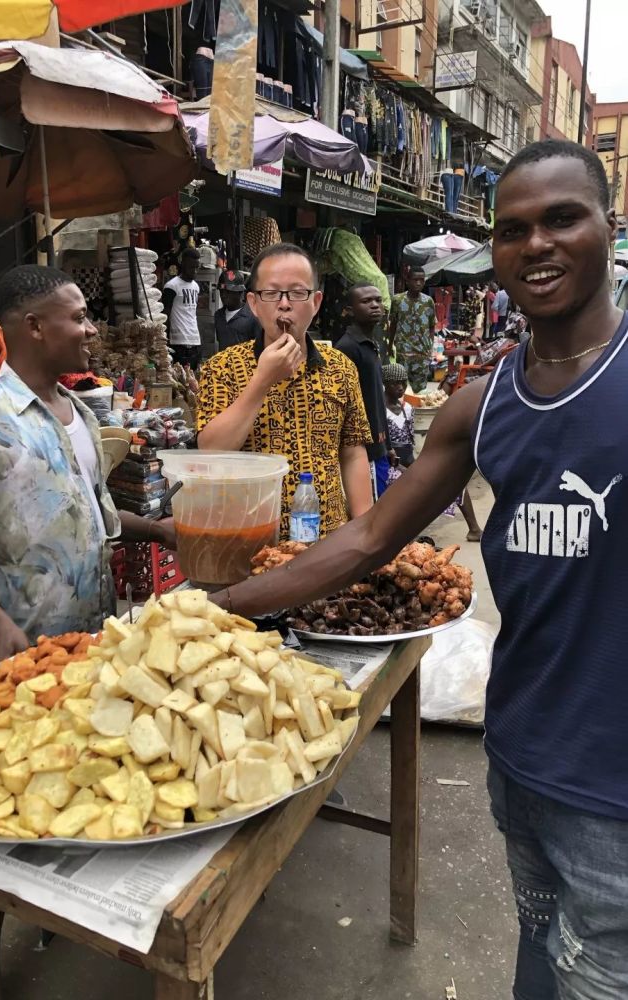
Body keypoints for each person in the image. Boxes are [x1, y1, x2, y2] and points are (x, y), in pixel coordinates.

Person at [214, 139, 628, 998]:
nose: (537, 245)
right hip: (521, 760)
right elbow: (366, 543)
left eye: (563, 219)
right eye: (513, 230)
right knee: (540, 967)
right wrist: (218, 611)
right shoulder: (484, 406)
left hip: (616, 794)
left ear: (607, 227)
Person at [0, 264, 175, 1000]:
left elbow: (99, 515)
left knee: (73, 779)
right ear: (34, 327)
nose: (91, 328)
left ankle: (61, 912)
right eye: (78, 317)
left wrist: (161, 527)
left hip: (92, 646)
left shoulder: (80, 416)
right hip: (14, 654)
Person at [196, 243, 373, 536]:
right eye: (272, 293)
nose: (284, 304)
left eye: (297, 292)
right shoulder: (222, 367)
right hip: (247, 541)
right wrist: (262, 380)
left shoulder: (341, 368)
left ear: (316, 302)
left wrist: (365, 533)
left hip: (328, 541)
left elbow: (353, 452)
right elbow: (211, 451)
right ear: (253, 303)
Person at [383, 361, 482, 541]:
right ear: (385, 384)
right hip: (390, 467)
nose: (400, 387)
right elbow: (382, 448)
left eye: (403, 383)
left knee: (455, 480)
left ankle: (474, 529)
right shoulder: (380, 411)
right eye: (394, 383)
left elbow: (410, 444)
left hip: (409, 462)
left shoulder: (407, 408)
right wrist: (403, 469)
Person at [336, 283, 394, 498]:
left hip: (378, 443)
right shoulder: (347, 347)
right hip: (363, 448)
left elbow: (376, 397)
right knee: (370, 508)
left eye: (378, 300)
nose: (375, 305)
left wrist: (387, 443)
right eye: (366, 301)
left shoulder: (372, 342)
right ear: (350, 310)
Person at [388, 264, 436, 393]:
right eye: (415, 279)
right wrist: (389, 345)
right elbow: (393, 324)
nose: (419, 283)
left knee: (419, 390)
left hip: (422, 353)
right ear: (407, 281)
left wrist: (430, 346)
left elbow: (432, 325)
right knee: (401, 387)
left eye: (422, 280)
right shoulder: (397, 300)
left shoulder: (428, 301)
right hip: (403, 352)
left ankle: (416, 413)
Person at [162, 247, 201, 368]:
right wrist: (165, 339)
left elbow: (192, 314)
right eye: (191, 267)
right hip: (178, 343)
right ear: (183, 264)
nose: (194, 271)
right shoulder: (172, 286)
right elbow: (165, 315)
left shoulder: (196, 286)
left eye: (196, 267)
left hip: (195, 341)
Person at [214, 269, 261, 351]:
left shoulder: (253, 317)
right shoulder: (218, 315)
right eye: (222, 292)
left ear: (240, 293)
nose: (224, 295)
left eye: (228, 292)